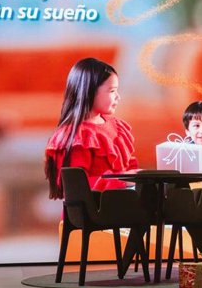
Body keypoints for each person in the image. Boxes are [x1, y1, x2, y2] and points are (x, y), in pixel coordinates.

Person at [45, 58, 138, 199]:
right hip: (91, 216)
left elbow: (128, 168)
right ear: (90, 91)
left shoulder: (117, 127)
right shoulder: (76, 136)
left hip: (119, 210)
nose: (118, 97)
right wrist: (121, 181)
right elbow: (76, 187)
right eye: (112, 91)